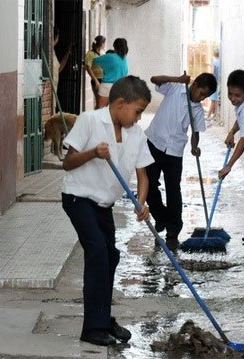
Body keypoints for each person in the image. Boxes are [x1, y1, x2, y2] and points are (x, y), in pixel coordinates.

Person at [61, 76, 153, 346]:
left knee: (110, 256)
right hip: (78, 198)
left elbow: (143, 176)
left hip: (104, 204)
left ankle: (103, 318)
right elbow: (67, 163)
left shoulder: (136, 133)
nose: (138, 118)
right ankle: (92, 328)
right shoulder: (90, 120)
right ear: (121, 103)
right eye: (137, 111)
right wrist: (92, 153)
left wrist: (142, 203)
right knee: (98, 251)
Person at [145, 72, 217, 243]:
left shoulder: (198, 110)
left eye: (205, 96)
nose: (201, 98)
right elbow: (153, 79)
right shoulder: (175, 88)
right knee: (148, 184)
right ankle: (161, 216)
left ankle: (173, 230)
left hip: (175, 151)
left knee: (173, 190)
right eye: (201, 93)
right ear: (194, 84)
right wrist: (177, 79)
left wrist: (194, 146)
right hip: (154, 142)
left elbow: (195, 132)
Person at [218, 69, 244, 245]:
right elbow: (240, 119)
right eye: (230, 94)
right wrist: (232, 131)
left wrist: (229, 165)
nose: (233, 99)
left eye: (237, 95)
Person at [93, 38, 129, 108]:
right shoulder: (125, 59)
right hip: (120, 87)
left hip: (107, 87)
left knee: (101, 110)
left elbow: (94, 60)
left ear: (115, 47)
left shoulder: (110, 56)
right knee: (114, 112)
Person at [85, 35, 106, 109]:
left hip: (103, 80)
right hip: (96, 80)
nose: (104, 45)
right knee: (99, 101)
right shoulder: (90, 53)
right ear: (101, 43)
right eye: (104, 43)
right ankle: (96, 118)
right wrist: (95, 80)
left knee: (102, 102)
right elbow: (88, 67)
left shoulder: (102, 53)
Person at [52, 28, 72, 92]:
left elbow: (58, 69)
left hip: (53, 88)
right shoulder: (49, 53)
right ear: (56, 38)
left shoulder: (52, 52)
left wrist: (67, 53)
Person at [207, 47, 221, 120]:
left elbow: (212, 73)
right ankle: (215, 115)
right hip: (219, 83)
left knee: (213, 100)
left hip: (214, 82)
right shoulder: (220, 62)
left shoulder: (214, 62)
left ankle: (208, 115)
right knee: (215, 100)